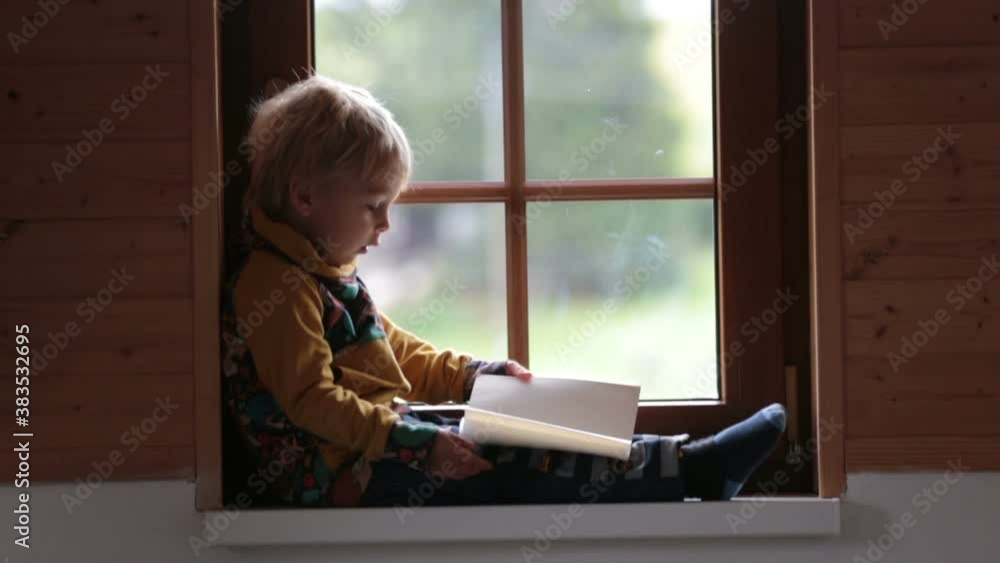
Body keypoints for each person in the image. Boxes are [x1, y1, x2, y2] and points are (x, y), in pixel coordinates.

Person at [220, 74, 786, 508]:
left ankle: (682, 457)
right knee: (505, 460)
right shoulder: (276, 284)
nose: (386, 225)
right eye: (373, 207)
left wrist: (472, 376)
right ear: (305, 198)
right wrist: (416, 443)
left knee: (512, 429)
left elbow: (397, 350)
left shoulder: (322, 274)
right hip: (337, 477)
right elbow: (313, 401)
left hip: (371, 448)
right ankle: (690, 471)